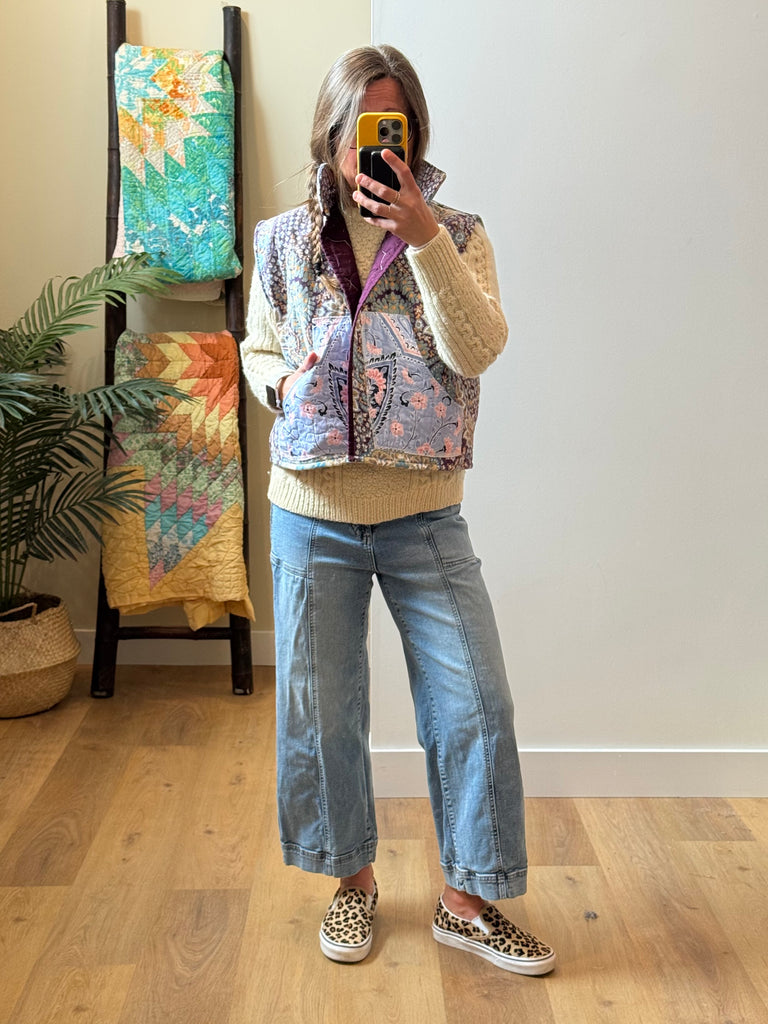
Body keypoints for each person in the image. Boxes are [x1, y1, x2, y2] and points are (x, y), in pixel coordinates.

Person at [241, 44, 555, 976]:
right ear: (333, 133)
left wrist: (423, 240)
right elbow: (258, 349)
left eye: (399, 127)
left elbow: (478, 350)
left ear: (415, 135)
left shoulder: (457, 233)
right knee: (323, 714)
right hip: (312, 509)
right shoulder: (281, 240)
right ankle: (352, 883)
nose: (383, 145)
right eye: (366, 127)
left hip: (425, 510)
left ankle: (468, 901)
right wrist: (280, 385)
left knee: (475, 704)